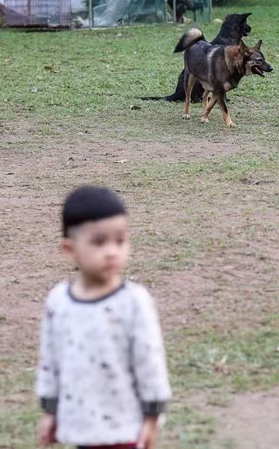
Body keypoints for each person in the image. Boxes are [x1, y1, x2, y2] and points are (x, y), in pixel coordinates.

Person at [36, 186, 171, 449]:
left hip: (126, 431)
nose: (111, 251)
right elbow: (50, 361)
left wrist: (153, 416)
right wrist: (50, 410)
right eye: (99, 242)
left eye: (119, 241)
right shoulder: (58, 302)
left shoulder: (134, 302)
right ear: (69, 249)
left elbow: (150, 363)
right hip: (79, 429)